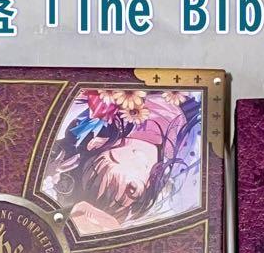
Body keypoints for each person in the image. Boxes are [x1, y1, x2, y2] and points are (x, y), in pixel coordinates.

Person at [42, 88, 201, 234]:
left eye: (111, 155)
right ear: (137, 189)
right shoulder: (179, 150)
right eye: (134, 189)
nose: (121, 145)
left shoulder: (115, 121)